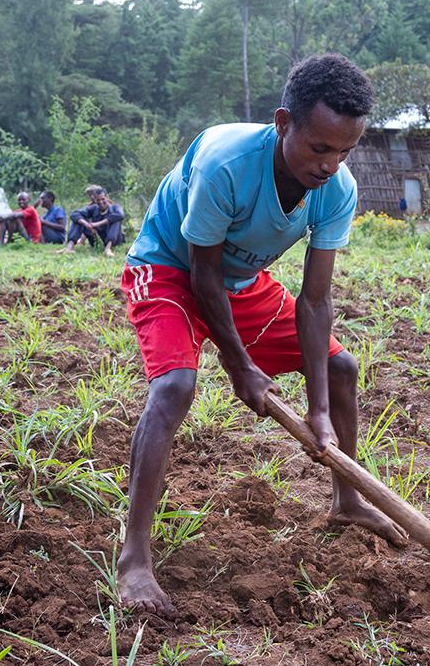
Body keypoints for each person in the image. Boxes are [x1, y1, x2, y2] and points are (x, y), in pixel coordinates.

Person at [116, 53, 408, 618]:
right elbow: (202, 275)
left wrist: (318, 409)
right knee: (173, 388)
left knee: (341, 369)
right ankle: (134, 557)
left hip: (241, 282)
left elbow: (316, 298)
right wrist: (238, 362)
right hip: (171, 270)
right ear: (282, 123)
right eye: (319, 148)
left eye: (344, 151)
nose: (330, 164)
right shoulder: (226, 162)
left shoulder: (336, 189)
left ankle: (347, 499)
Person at [64, 189, 124, 257]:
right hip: (96, 239)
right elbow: (74, 214)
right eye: (98, 200)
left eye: (103, 199)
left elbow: (120, 215)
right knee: (78, 219)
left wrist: (97, 224)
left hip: (114, 240)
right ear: (95, 200)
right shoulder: (93, 208)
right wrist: (86, 224)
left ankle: (108, 249)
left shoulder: (115, 207)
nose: (101, 202)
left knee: (115, 219)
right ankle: (69, 247)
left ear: (107, 197)